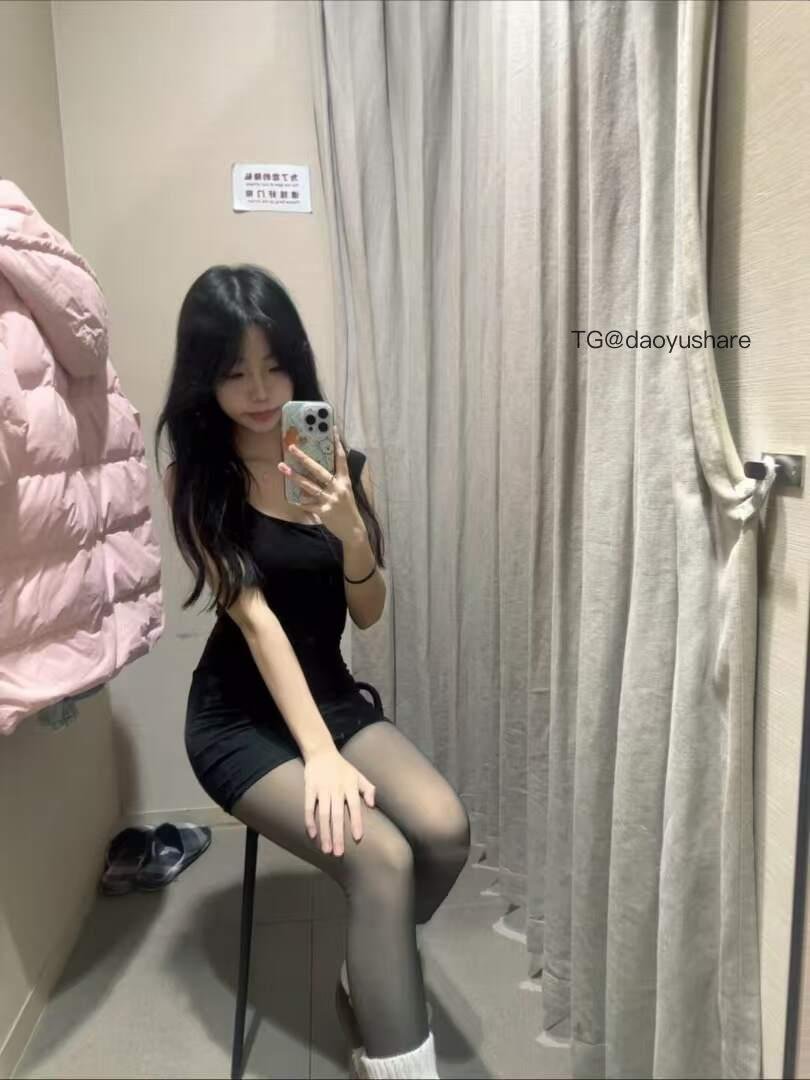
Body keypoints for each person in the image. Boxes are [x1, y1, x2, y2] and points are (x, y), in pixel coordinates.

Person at [156, 265, 471, 1079]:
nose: (261, 390)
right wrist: (320, 757)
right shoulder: (198, 480)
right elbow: (256, 622)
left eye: (276, 365)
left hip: (327, 691)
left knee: (443, 833)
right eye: (235, 372)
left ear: (297, 364)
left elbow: (367, 612)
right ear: (205, 378)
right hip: (237, 717)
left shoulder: (339, 465)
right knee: (383, 858)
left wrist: (352, 532)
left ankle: (366, 962)